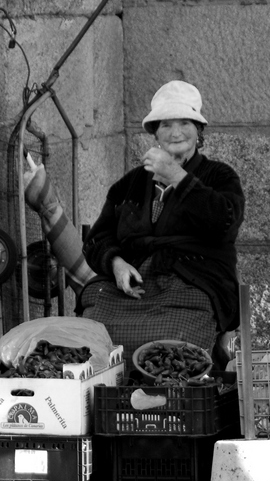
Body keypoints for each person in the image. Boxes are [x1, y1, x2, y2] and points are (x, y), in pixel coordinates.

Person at [80, 80, 245, 372]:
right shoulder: (129, 184)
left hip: (192, 281)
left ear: (199, 131)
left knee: (173, 345)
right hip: (133, 286)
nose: (176, 132)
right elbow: (97, 239)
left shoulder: (219, 176)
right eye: (166, 125)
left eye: (185, 123)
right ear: (155, 132)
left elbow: (224, 224)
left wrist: (177, 176)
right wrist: (116, 263)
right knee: (91, 336)